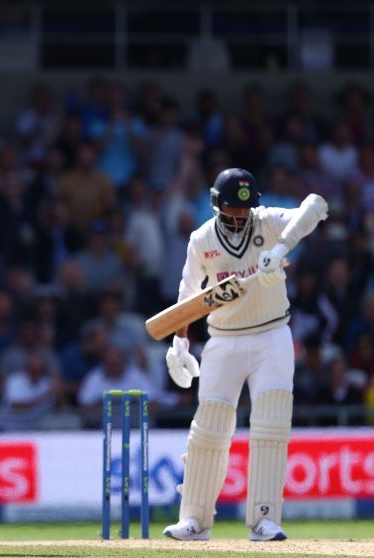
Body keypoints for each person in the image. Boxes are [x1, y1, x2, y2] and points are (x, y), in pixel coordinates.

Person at [163, 168, 328, 542]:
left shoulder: (268, 222)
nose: (238, 218)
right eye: (230, 211)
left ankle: (264, 519)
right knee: (209, 430)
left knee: (270, 425)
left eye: (243, 211)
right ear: (216, 205)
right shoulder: (201, 238)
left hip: (272, 336)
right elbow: (189, 294)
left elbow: (315, 207)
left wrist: (280, 249)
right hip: (223, 340)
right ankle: (194, 519)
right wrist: (180, 342)